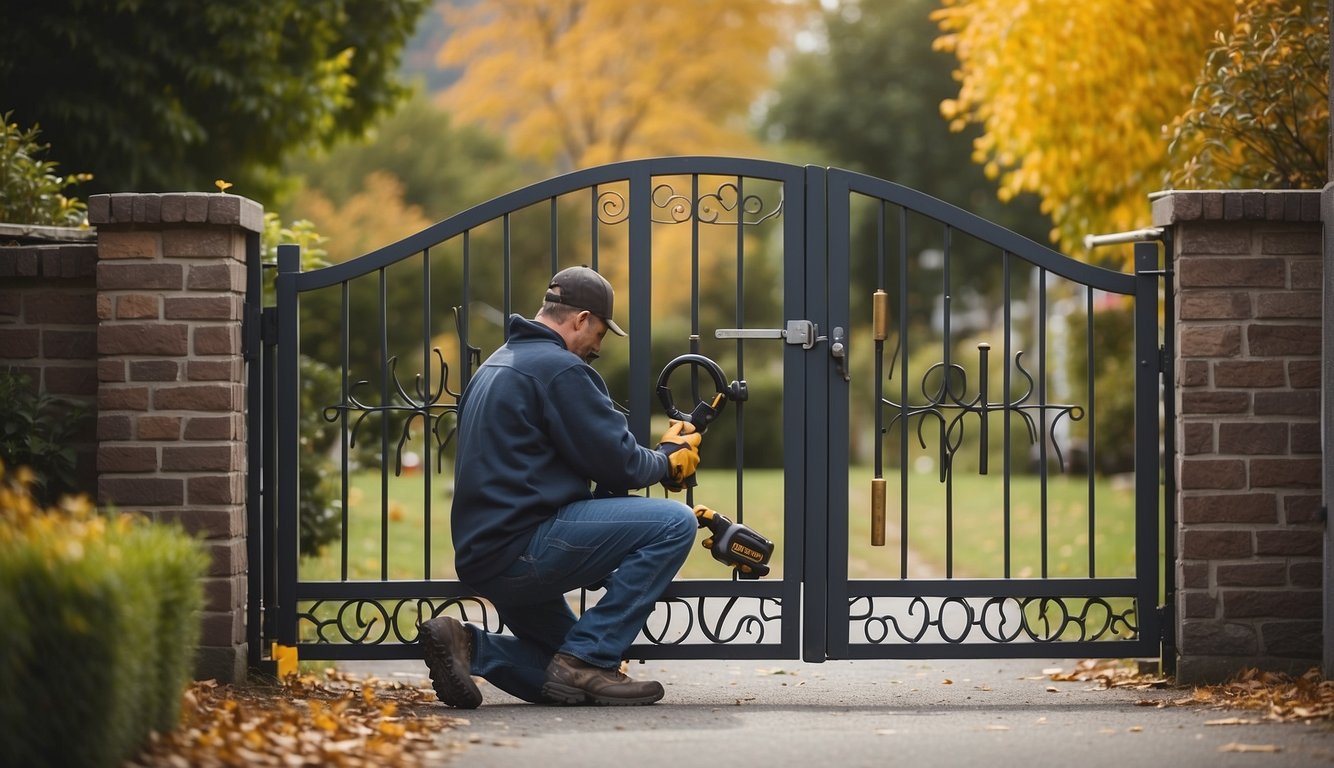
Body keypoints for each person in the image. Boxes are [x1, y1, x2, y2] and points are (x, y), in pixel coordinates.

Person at [419, 265, 703, 707]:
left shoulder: (498, 364)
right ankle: (589, 660)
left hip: (487, 555)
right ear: (581, 319)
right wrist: (667, 458)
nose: (597, 348)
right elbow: (622, 465)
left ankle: (470, 646)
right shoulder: (559, 369)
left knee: (563, 682)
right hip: (525, 548)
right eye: (601, 334)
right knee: (675, 523)